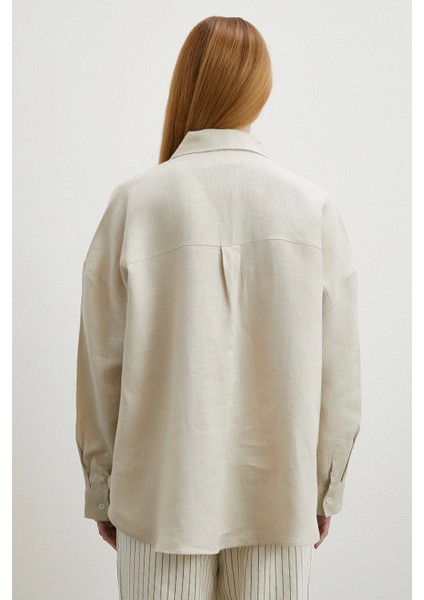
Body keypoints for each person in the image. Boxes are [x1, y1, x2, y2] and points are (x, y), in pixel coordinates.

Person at [75, 15, 361, 600]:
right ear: (261, 89)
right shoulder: (312, 208)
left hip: (159, 501)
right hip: (279, 499)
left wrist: (102, 488)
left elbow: (101, 365)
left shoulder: (135, 204)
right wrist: (324, 488)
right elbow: (341, 375)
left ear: (187, 83)